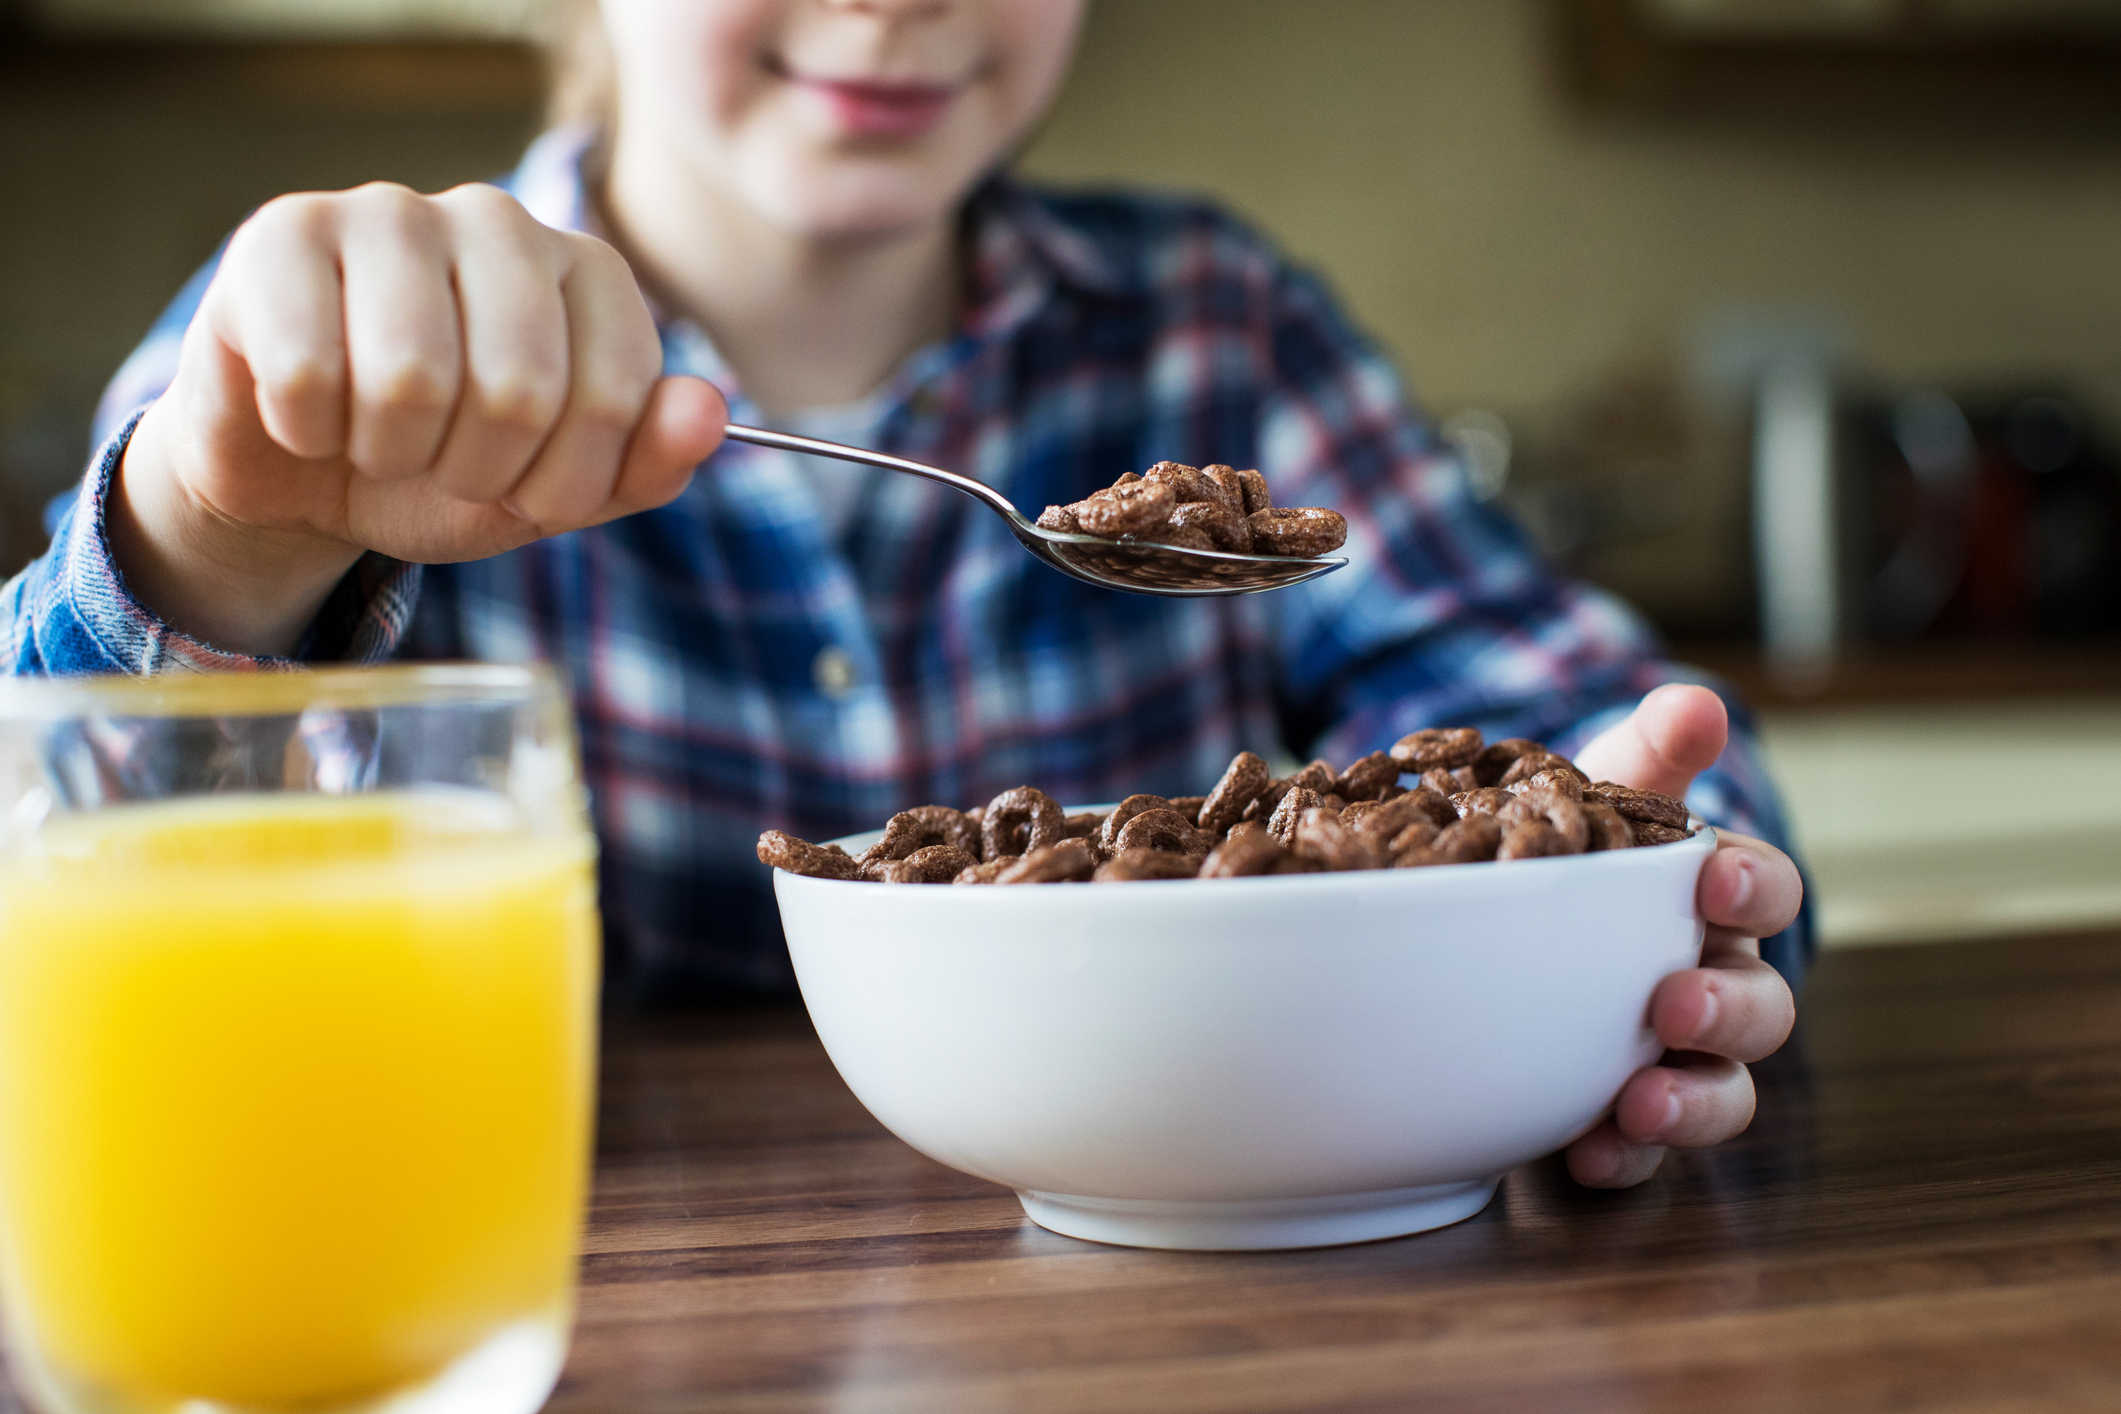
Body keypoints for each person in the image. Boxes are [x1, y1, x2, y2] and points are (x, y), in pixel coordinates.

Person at [0, 0, 1802, 1189]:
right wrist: (223, 534)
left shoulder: (1214, 325)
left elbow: (1607, 732)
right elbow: (78, 960)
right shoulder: (339, 360)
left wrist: (1637, 921)